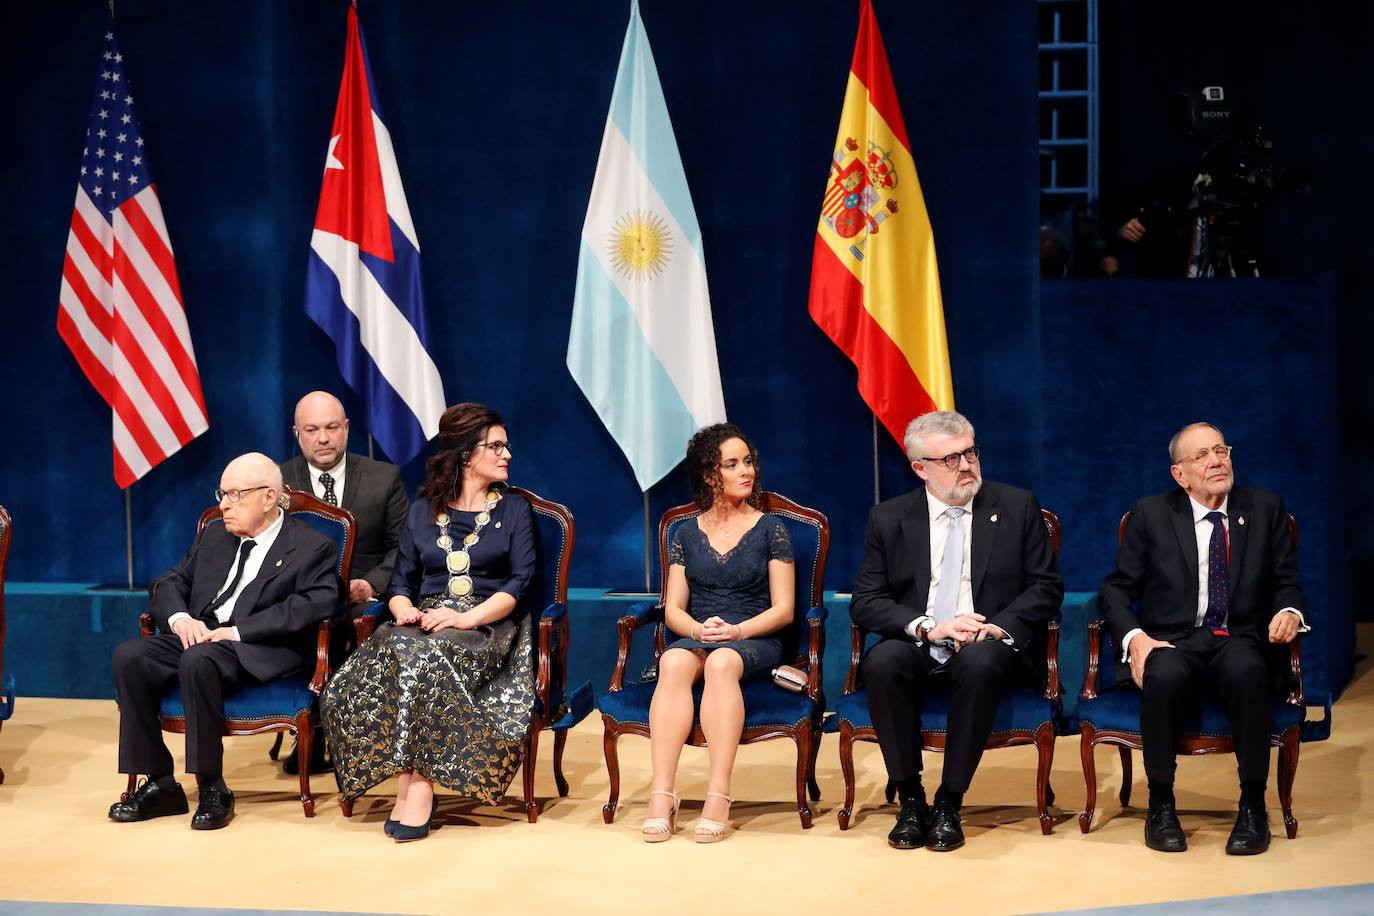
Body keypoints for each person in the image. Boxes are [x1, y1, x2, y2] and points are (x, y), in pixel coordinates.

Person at [320, 403, 535, 843]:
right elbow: (401, 583)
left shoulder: (514, 511)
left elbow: (519, 584)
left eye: (506, 445)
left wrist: (465, 617)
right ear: (464, 453)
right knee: (390, 654)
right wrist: (401, 608)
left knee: (427, 656)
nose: (507, 453)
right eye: (496, 445)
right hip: (427, 618)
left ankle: (415, 788)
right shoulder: (422, 510)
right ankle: (413, 781)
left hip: (487, 623)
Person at [851, 410, 1063, 851]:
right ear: (920, 468)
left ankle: (949, 800)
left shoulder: (1016, 506)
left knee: (980, 661)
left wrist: (996, 628)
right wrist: (928, 627)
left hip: (988, 647)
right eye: (951, 459)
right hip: (924, 642)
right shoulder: (889, 518)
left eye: (970, 452)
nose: (966, 466)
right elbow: (866, 601)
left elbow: (1046, 587)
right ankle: (911, 799)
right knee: (883, 660)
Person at [1100, 422, 1308, 855]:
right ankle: (1161, 803)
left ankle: (1253, 805)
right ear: (1180, 474)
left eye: (1221, 450)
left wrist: (1289, 610)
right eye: (1202, 456)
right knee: (1164, 675)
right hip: (1173, 639)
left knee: (1248, 670)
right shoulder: (1151, 513)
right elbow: (1116, 590)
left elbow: (1286, 582)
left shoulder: (1264, 508)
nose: (1216, 462)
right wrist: (1136, 638)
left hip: (1239, 637)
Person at [109, 453, 340, 830]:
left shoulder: (311, 546)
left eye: (235, 494)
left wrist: (237, 631)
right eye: (222, 493)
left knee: (198, 660)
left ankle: (212, 787)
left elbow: (315, 603)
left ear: (269, 498)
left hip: (257, 646)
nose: (223, 504)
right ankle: (161, 782)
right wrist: (181, 619)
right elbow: (170, 582)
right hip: (204, 636)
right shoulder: (214, 534)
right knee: (130, 656)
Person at [641, 423, 795, 844]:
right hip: (702, 633)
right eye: (733, 464)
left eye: (748, 462)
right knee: (672, 660)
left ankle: (718, 794)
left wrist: (736, 631)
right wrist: (696, 629)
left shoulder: (771, 529)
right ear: (710, 475)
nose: (746, 471)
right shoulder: (685, 532)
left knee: (724, 662)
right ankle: (662, 794)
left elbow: (784, 610)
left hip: (754, 637)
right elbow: (672, 607)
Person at [279, 390, 409, 775]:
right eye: (312, 429)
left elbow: (403, 549)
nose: (323, 438)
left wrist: (370, 584)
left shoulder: (384, 477)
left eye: (332, 428)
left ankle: (355, 735)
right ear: (297, 433)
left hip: (361, 598)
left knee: (352, 624)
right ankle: (309, 727)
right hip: (298, 599)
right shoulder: (278, 483)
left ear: (347, 429)